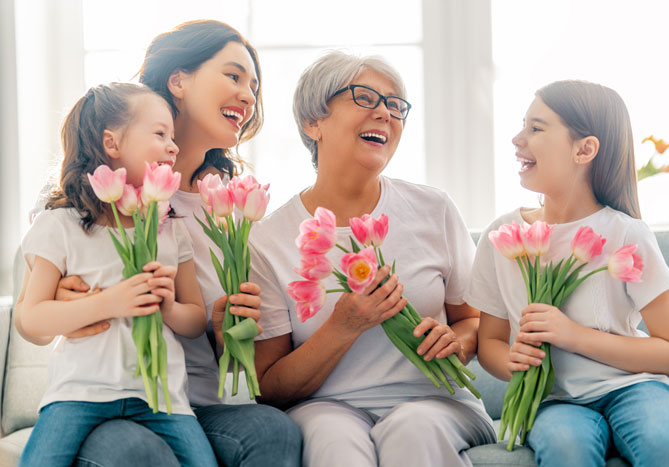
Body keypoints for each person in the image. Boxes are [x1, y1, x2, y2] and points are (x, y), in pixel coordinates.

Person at [19, 20, 302, 467]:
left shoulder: (228, 205)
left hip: (191, 401)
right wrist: (90, 301)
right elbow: (34, 323)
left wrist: (225, 325)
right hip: (105, 393)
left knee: (273, 432)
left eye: (254, 85)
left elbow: (207, 326)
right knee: (141, 452)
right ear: (178, 81)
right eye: (233, 76)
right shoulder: (80, 202)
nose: (249, 95)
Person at [249, 50, 496, 467]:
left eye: (395, 104)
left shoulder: (433, 209)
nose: (385, 113)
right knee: (334, 443)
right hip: (327, 408)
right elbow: (269, 387)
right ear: (313, 122)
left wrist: (460, 340)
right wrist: (343, 326)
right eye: (364, 97)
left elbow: (474, 321)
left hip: (435, 402)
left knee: (410, 429)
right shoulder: (267, 239)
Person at [468, 80, 669, 466]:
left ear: (585, 149)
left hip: (636, 387)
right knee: (566, 450)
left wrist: (573, 335)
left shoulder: (625, 233)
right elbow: (488, 340)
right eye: (522, 125)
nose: (517, 138)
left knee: (667, 447)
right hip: (555, 399)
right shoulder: (504, 236)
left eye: (536, 128)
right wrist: (511, 361)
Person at [15, 82, 218, 467]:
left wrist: (168, 307)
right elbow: (33, 316)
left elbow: (194, 321)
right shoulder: (61, 225)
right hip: (79, 393)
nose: (173, 146)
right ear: (112, 143)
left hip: (161, 396)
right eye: (160, 134)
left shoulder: (171, 229)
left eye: (172, 136)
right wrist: (109, 302)